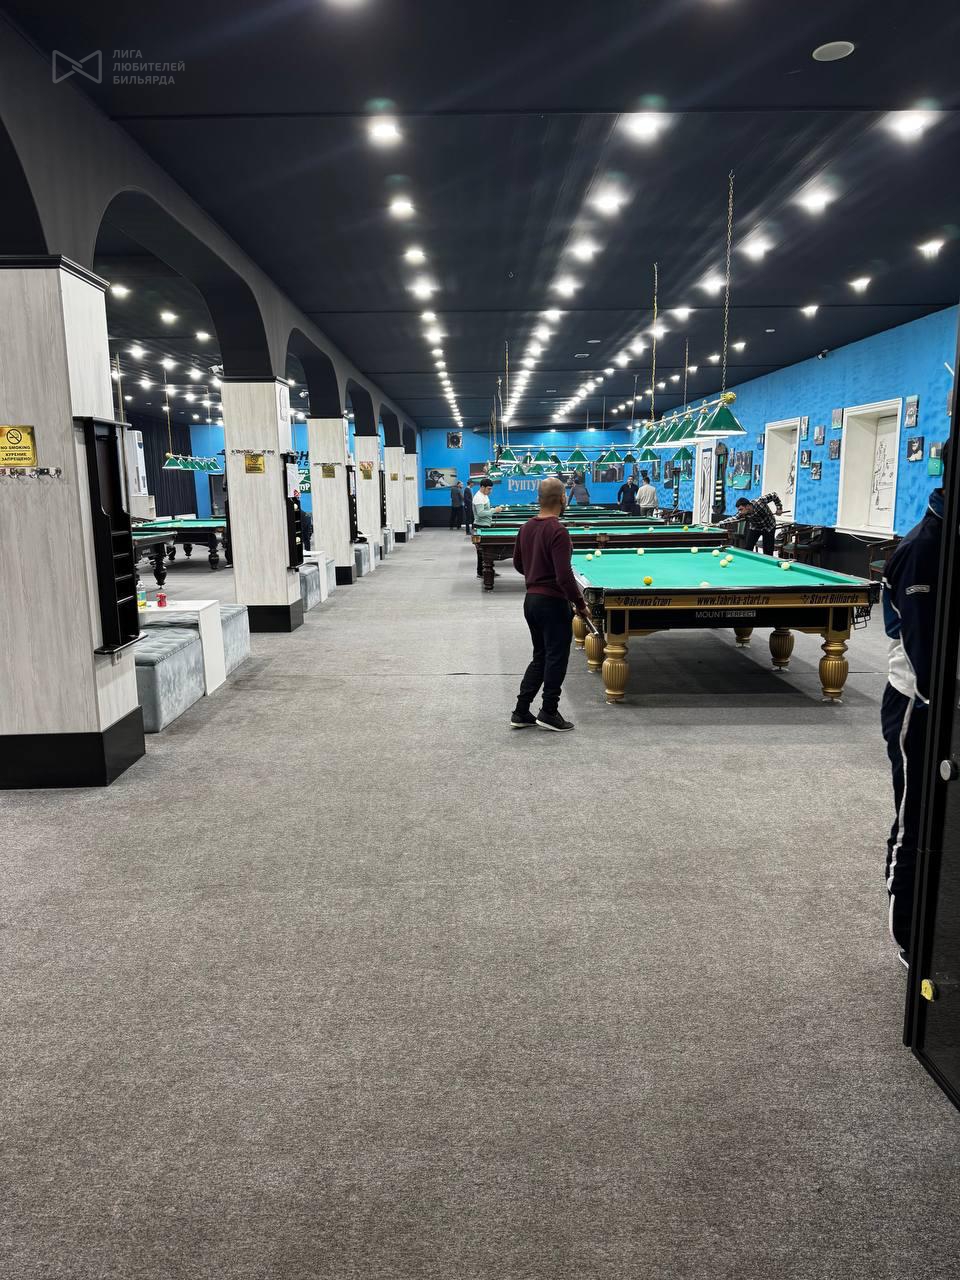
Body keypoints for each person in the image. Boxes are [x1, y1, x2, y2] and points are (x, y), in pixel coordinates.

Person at [881, 437, 950, 968]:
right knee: (917, 817)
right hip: (918, 705)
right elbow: (925, 654)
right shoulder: (923, 548)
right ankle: (909, 935)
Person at [510, 477, 590, 733]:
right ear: (563, 499)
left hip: (531, 602)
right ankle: (549, 711)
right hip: (552, 603)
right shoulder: (558, 530)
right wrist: (580, 604)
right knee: (556, 657)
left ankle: (521, 711)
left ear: (539, 498)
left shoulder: (525, 528)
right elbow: (564, 576)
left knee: (541, 656)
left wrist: (536, 575)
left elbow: (518, 564)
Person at [473, 476, 498, 578]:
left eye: (491, 489)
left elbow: (486, 510)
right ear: (482, 487)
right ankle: (481, 572)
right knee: (481, 551)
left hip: (485, 526)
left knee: (487, 551)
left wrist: (492, 510)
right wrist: (494, 511)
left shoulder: (484, 495)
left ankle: (489, 570)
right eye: (489, 489)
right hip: (480, 527)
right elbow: (480, 513)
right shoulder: (478, 497)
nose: (490, 491)